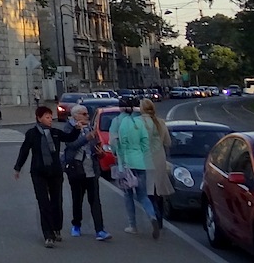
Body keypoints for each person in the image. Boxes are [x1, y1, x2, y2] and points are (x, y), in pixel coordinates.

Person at [14, 105, 80, 247]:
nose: (50, 120)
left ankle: (56, 229)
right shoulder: (32, 134)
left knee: (57, 202)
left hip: (55, 172)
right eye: (47, 117)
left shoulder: (55, 132)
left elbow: (69, 138)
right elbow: (24, 150)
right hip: (38, 173)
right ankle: (48, 235)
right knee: (43, 203)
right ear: (39, 118)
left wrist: (77, 129)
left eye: (51, 117)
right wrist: (18, 167)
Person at [111, 96, 160, 238]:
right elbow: (145, 143)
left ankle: (133, 225)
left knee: (128, 195)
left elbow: (115, 143)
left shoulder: (118, 122)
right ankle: (152, 216)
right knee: (143, 195)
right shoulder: (140, 123)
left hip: (126, 163)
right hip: (140, 162)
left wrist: (118, 155)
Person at [62, 104, 110, 241]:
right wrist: (86, 138)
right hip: (76, 169)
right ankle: (76, 225)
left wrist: (99, 152)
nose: (87, 116)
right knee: (77, 199)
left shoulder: (89, 127)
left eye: (87, 114)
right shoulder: (69, 127)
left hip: (91, 168)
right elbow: (71, 144)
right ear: (75, 115)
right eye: (84, 114)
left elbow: (95, 144)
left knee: (95, 200)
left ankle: (100, 230)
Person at [140, 98, 173, 230]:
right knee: (157, 190)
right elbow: (168, 142)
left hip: (144, 158)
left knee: (146, 190)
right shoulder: (160, 122)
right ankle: (159, 221)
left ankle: (153, 215)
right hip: (159, 158)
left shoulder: (139, 123)